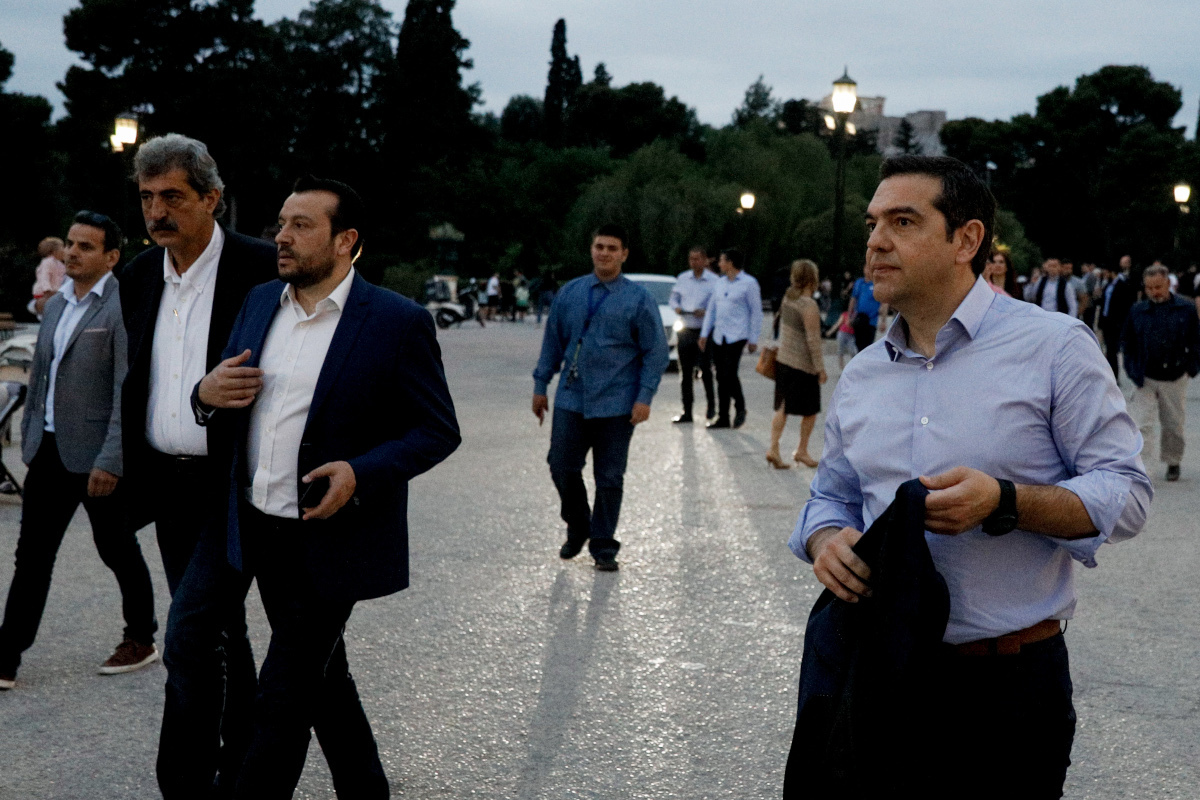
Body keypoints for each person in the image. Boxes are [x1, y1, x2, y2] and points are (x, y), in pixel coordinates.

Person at [790, 155, 1151, 798]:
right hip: (878, 677)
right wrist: (825, 540)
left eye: (903, 222)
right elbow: (832, 496)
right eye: (873, 224)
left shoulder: (1055, 347)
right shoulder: (864, 373)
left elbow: (1126, 494)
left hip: (1008, 687)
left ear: (967, 239)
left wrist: (1005, 501)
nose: (876, 241)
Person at [163, 176, 460, 797]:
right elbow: (223, 396)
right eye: (281, 223)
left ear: (345, 240)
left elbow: (436, 430)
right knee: (192, 640)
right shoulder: (259, 302)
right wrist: (203, 395)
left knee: (285, 691)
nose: (282, 236)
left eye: (301, 225)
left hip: (324, 534)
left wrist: (360, 472)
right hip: (243, 519)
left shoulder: (397, 322)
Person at [118, 133, 273, 793]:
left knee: (186, 634)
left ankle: (183, 782)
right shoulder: (136, 276)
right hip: (169, 486)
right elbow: (133, 382)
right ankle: (242, 763)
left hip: (235, 484)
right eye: (147, 197)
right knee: (219, 629)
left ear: (212, 198)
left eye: (173, 197)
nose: (157, 211)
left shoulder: (260, 269)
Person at [0, 212, 159, 691]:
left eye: (85, 246)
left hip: (97, 458)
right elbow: (41, 378)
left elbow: (126, 390)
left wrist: (111, 459)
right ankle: (7, 655)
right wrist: (31, 439)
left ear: (111, 257)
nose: (71, 252)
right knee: (32, 557)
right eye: (70, 243)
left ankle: (141, 637)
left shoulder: (120, 306)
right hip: (48, 450)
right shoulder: (55, 305)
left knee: (116, 548)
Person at [532, 224, 669, 571]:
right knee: (561, 466)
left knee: (609, 477)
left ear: (624, 254)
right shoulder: (570, 293)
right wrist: (540, 385)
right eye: (599, 246)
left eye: (611, 248)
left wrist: (644, 397)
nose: (604, 253)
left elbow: (655, 352)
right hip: (571, 398)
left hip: (617, 402)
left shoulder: (639, 299)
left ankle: (603, 545)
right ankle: (579, 524)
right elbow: (552, 343)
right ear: (591, 249)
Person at [1122, 264, 1200, 482]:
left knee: (1173, 424)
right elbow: (1127, 343)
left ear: (1167, 284)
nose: (1154, 292)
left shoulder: (1186, 308)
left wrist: (1191, 367)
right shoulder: (1137, 310)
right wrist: (1132, 370)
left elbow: (1196, 340)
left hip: (1175, 375)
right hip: (1145, 376)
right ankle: (1144, 470)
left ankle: (1173, 460)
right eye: (1149, 288)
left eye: (1158, 287)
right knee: (1142, 425)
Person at [765, 260, 826, 469]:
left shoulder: (788, 298)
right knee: (810, 410)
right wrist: (820, 368)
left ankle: (773, 448)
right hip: (803, 365)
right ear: (812, 278)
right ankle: (802, 450)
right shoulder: (809, 305)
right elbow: (813, 340)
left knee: (782, 407)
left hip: (783, 360)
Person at [699, 248, 763, 429]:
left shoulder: (749, 283)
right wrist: (704, 333)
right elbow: (711, 310)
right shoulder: (719, 283)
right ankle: (723, 417)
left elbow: (756, 312)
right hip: (719, 335)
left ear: (730, 263)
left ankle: (740, 406)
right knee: (720, 376)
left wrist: (753, 338)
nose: (719, 264)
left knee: (729, 373)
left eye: (721, 261)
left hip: (737, 334)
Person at [669, 245, 718, 423]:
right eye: (691, 259)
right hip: (686, 328)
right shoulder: (683, 278)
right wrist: (677, 307)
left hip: (704, 330)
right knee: (685, 372)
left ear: (705, 260)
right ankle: (687, 410)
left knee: (705, 369)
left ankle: (711, 406)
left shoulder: (713, 281)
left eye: (697, 259)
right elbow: (673, 298)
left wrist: (706, 312)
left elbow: (718, 304)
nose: (694, 262)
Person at [1098, 255, 1137, 378]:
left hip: (1115, 323)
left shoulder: (1122, 285)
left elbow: (1126, 305)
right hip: (1106, 321)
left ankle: (1113, 375)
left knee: (1112, 350)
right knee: (1108, 349)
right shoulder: (1108, 285)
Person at [846, 262, 887, 353]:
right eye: (867, 268)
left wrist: (883, 320)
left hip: (871, 320)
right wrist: (849, 316)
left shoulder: (877, 284)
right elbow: (853, 300)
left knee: (867, 346)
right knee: (858, 344)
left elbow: (884, 303)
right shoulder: (859, 283)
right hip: (859, 318)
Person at [30, 236, 66, 319]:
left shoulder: (59, 264)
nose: (64, 250)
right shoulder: (47, 262)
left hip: (54, 291)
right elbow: (44, 277)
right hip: (45, 293)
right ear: (53, 251)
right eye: (62, 247)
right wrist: (47, 289)